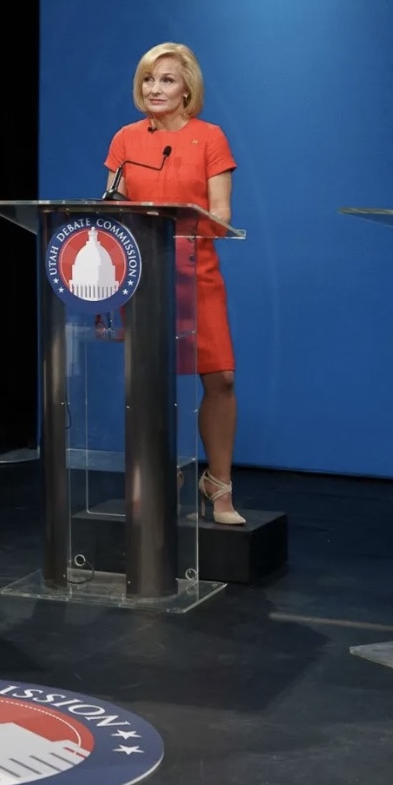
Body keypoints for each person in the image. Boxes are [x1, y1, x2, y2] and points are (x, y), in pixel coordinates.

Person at [102, 42, 243, 524]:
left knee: (220, 377)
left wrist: (194, 222)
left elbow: (222, 214)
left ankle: (217, 485)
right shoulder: (125, 139)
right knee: (149, 381)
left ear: (188, 89)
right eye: (148, 79)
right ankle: (161, 473)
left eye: (166, 80)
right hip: (144, 275)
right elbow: (112, 206)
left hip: (196, 270)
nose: (154, 88)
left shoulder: (210, 138)